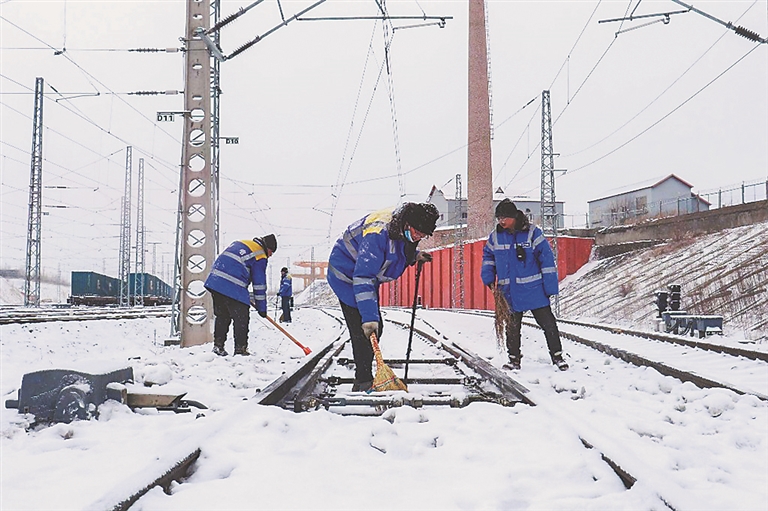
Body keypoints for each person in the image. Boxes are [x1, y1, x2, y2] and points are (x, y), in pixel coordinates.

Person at [328, 203, 439, 391]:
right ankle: (363, 381)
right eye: (417, 233)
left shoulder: (401, 229)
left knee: (375, 329)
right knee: (363, 331)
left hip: (365, 277)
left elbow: (395, 250)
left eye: (423, 235)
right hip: (346, 276)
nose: (418, 237)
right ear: (407, 224)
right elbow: (363, 276)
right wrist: (369, 318)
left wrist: (414, 256)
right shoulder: (377, 235)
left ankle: (366, 375)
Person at [481, 199, 569, 371]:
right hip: (509, 293)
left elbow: (547, 260)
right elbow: (488, 257)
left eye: (504, 218)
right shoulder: (495, 237)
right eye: (499, 218)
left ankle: (558, 357)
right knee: (512, 328)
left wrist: (550, 288)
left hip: (534, 291)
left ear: (514, 217)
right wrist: (488, 278)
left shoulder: (533, 233)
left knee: (549, 325)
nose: (501, 221)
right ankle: (514, 360)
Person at [204, 234, 277, 356]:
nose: (270, 256)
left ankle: (218, 346)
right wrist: (262, 308)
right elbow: (259, 284)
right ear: (268, 248)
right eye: (271, 253)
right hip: (232, 285)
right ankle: (240, 350)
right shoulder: (260, 255)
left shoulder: (241, 243)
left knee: (222, 316)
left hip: (215, 282)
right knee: (241, 318)